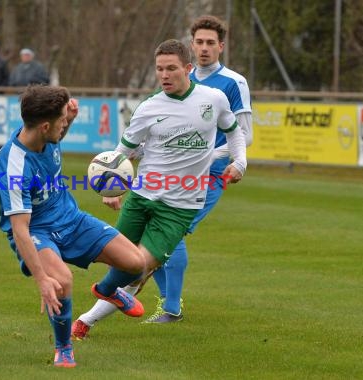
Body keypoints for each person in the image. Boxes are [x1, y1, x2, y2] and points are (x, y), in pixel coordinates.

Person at [71, 39, 247, 339]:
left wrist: (239, 162)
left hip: (181, 207)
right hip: (141, 198)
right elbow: (121, 152)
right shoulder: (148, 107)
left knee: (138, 265)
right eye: (159, 69)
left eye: (171, 69)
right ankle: (88, 318)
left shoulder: (213, 99)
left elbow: (234, 132)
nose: (164, 75)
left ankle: (93, 307)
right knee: (122, 262)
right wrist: (110, 189)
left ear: (188, 69)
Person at [0, 85, 145, 368]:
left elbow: (58, 128)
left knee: (136, 263)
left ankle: (107, 290)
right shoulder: (14, 167)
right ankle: (63, 347)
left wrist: (71, 116)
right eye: (63, 120)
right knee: (61, 281)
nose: (66, 124)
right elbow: (20, 229)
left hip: (70, 219)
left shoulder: (43, 132)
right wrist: (42, 280)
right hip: (36, 231)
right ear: (46, 126)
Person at [142, 15, 254, 323]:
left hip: (209, 175)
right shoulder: (179, 78)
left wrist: (208, 157)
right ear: (191, 46)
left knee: (169, 233)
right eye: (199, 43)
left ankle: (170, 308)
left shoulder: (233, 83)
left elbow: (245, 135)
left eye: (210, 43)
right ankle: (166, 303)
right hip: (172, 173)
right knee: (149, 230)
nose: (204, 49)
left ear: (221, 46)